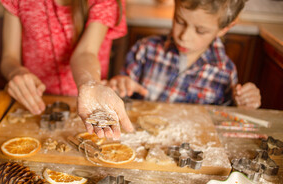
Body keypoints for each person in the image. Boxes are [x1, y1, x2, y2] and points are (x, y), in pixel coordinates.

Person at [0, 0, 134, 139]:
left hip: (88, 105)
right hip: (32, 102)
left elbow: (86, 52)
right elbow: (9, 58)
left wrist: (90, 84)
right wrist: (16, 72)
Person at [106, 0, 261, 109]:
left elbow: (222, 118)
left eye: (200, 30)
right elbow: (119, 95)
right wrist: (119, 86)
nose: (184, 36)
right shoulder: (146, 49)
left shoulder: (225, 72)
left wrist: (242, 103)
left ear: (224, 28)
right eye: (179, 21)